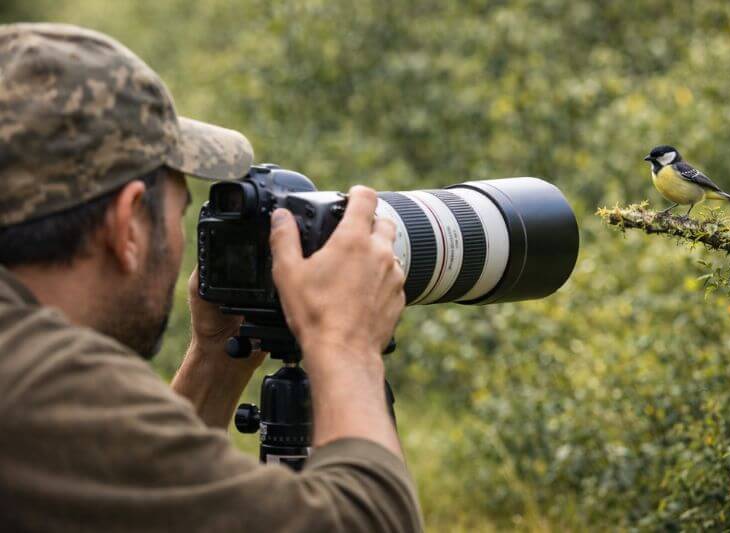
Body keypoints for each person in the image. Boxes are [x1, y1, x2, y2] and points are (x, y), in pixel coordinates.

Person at [0, 23, 422, 532]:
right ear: (128, 224)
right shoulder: (42, 386)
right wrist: (346, 343)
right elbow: (362, 523)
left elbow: (139, 506)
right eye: (180, 211)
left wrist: (215, 362)